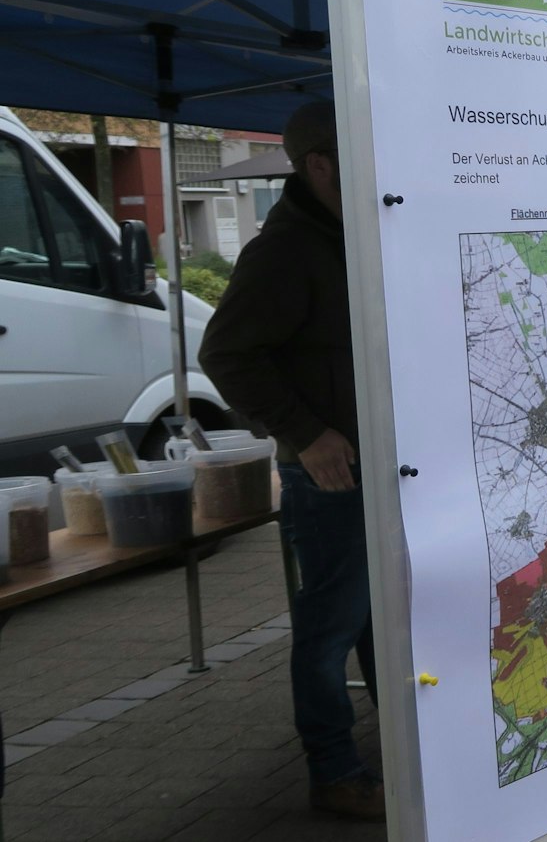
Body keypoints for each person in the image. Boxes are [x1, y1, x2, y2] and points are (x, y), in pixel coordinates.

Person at [199, 101, 382, 821]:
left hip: (382, 467)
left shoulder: (354, 233)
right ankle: (334, 771)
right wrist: (307, 435)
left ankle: (395, 747)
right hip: (328, 475)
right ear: (319, 166)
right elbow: (225, 354)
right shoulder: (285, 249)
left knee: (379, 619)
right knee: (330, 626)